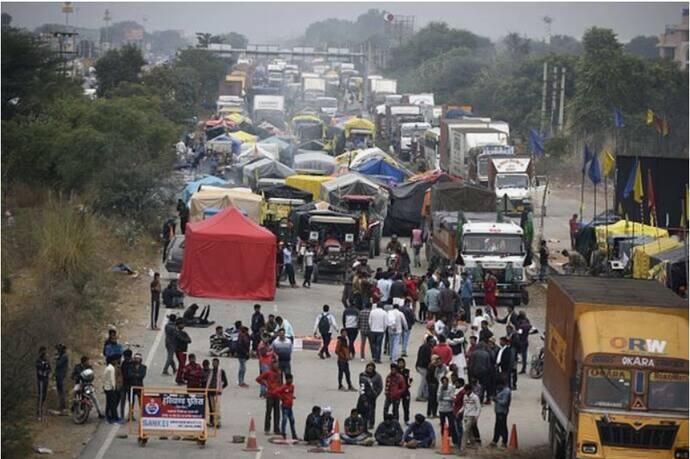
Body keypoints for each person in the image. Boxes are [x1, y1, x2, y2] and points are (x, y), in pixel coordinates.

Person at [256, 361, 282, 435]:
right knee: (268, 412)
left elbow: (280, 383)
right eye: (275, 365)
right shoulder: (268, 373)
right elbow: (258, 379)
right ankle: (267, 429)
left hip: (277, 395)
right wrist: (265, 384)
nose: (276, 366)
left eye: (277, 365)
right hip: (270, 395)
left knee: (277, 413)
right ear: (272, 365)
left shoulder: (279, 373)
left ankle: (276, 429)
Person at [357, 362, 383, 430]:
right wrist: (364, 398)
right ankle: (362, 423)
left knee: (371, 411)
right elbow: (361, 388)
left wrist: (376, 394)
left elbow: (380, 387)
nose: (369, 369)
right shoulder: (362, 376)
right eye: (368, 367)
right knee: (362, 411)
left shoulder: (377, 376)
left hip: (372, 397)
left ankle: (371, 423)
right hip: (364, 396)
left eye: (371, 368)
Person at [458, 383, 482, 453]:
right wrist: (459, 412)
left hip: (472, 416)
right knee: (470, 434)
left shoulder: (475, 397)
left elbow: (478, 407)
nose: (465, 392)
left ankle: (462, 449)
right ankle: (476, 447)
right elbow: (464, 405)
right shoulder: (465, 396)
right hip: (465, 415)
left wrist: (476, 417)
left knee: (465, 432)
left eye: (466, 390)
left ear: (470, 390)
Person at [206, 358, 228, 427]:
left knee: (217, 408)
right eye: (213, 363)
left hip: (217, 393)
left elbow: (226, 382)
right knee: (211, 408)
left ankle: (218, 422)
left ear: (218, 363)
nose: (214, 364)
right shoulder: (210, 371)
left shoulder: (221, 371)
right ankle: (211, 421)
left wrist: (220, 388)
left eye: (215, 363)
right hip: (210, 392)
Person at [125, 353, 147, 420]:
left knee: (141, 401)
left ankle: (142, 415)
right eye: (136, 358)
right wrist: (137, 375)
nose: (137, 359)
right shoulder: (130, 366)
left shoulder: (144, 367)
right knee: (131, 401)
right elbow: (129, 375)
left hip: (139, 386)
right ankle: (130, 416)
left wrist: (134, 375)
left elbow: (142, 375)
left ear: (140, 359)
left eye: (138, 358)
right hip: (131, 386)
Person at [277, 373, 298, 440]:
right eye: (290, 379)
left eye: (291, 379)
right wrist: (282, 398)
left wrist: (291, 397)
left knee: (292, 420)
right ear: (286, 380)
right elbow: (277, 392)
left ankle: (294, 434)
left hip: (290, 406)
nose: (291, 380)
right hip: (285, 406)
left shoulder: (292, 386)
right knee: (285, 420)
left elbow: (291, 393)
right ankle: (283, 433)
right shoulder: (283, 387)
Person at [438, 376, 458, 445]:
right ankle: (443, 438)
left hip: (450, 409)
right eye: (443, 382)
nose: (445, 384)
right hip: (441, 409)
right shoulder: (440, 387)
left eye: (446, 382)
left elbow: (452, 397)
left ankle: (453, 439)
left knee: (452, 425)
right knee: (443, 424)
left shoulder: (451, 387)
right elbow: (438, 398)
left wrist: (445, 398)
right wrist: (442, 391)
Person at [103, 354, 122, 424]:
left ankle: (108, 417)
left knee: (108, 404)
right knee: (113, 404)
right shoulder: (111, 368)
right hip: (111, 388)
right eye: (115, 360)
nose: (116, 361)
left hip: (107, 388)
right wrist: (114, 388)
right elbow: (112, 379)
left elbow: (104, 379)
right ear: (112, 361)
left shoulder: (107, 367)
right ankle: (115, 418)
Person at [415, 336, 433, 402]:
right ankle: (419, 395)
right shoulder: (428, 348)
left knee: (425, 381)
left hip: (419, 366)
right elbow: (427, 359)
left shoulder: (422, 346)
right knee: (424, 381)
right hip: (423, 367)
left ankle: (425, 395)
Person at [257, 333, 275, 398]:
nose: (268, 339)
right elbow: (264, 354)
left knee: (265, 378)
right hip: (264, 364)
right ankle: (263, 392)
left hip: (267, 363)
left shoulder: (266, 344)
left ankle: (264, 392)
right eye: (267, 338)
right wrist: (271, 352)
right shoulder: (261, 345)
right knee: (265, 378)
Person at [174, 320, 191, 384]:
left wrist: (185, 340)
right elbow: (181, 339)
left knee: (182, 365)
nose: (183, 326)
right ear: (178, 325)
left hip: (184, 351)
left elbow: (189, 340)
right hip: (179, 351)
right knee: (182, 365)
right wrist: (185, 340)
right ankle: (179, 379)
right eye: (182, 324)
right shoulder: (176, 333)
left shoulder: (184, 333)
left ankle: (180, 378)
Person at [36, 346, 51, 421]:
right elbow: (38, 369)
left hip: (46, 380)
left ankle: (42, 409)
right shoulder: (38, 360)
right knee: (40, 395)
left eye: (45, 351)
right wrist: (43, 373)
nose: (44, 353)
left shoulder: (47, 360)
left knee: (44, 395)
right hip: (40, 380)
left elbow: (49, 369)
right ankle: (39, 412)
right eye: (43, 351)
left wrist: (47, 373)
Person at [53, 344, 69, 415]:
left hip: (61, 375)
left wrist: (56, 358)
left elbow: (58, 364)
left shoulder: (64, 356)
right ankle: (61, 406)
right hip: (59, 375)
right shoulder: (62, 356)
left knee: (61, 391)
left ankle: (63, 407)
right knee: (59, 391)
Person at [119, 350, 133, 419]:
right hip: (129, 384)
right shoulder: (131, 363)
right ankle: (130, 416)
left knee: (123, 401)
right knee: (130, 400)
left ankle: (122, 416)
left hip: (124, 384)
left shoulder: (124, 363)